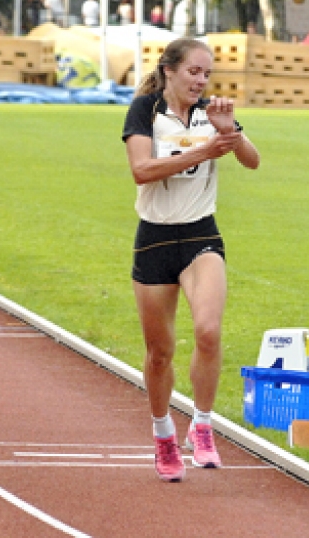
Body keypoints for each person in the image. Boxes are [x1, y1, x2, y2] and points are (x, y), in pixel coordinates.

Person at [121, 38, 260, 481]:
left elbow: (252, 161)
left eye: (207, 73)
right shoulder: (145, 110)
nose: (201, 81)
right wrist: (202, 151)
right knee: (160, 352)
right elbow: (141, 170)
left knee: (208, 330)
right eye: (194, 72)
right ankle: (163, 436)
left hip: (201, 234)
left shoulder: (213, 112)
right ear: (170, 71)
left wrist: (228, 132)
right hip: (155, 241)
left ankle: (202, 426)